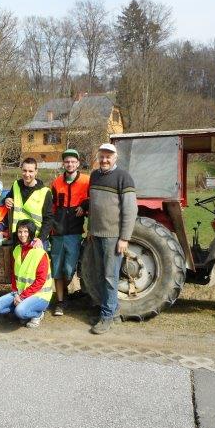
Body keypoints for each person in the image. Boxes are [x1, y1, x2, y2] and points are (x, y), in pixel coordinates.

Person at [85, 143, 137, 334]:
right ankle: (112, 312)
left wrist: (124, 238)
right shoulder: (94, 176)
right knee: (100, 274)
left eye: (109, 157)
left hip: (113, 237)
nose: (105, 160)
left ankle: (106, 317)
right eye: (102, 156)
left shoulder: (123, 177)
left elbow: (130, 210)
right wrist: (90, 229)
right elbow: (94, 206)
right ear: (98, 157)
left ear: (116, 158)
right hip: (96, 235)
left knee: (109, 277)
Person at [0, 219, 52, 328]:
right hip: (20, 293)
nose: (22, 235)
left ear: (31, 233)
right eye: (20, 232)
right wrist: (15, 292)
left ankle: (38, 314)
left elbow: (40, 281)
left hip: (40, 295)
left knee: (20, 312)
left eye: (26, 232)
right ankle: (22, 309)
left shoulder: (40, 253)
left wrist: (22, 297)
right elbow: (14, 275)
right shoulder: (17, 250)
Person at [49, 149, 90, 317]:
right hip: (57, 232)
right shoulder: (56, 182)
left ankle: (67, 293)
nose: (70, 164)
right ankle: (60, 301)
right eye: (67, 162)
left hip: (74, 232)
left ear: (78, 163)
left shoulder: (87, 180)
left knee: (69, 269)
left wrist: (85, 206)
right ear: (63, 164)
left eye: (73, 161)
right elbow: (50, 206)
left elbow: (94, 197)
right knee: (57, 269)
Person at [4, 157, 53, 248]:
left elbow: (49, 219)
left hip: (36, 239)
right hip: (18, 237)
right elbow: (9, 197)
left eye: (30, 171)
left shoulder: (45, 192)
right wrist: (7, 199)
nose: (27, 174)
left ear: (36, 171)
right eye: (24, 170)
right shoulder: (16, 185)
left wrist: (40, 239)